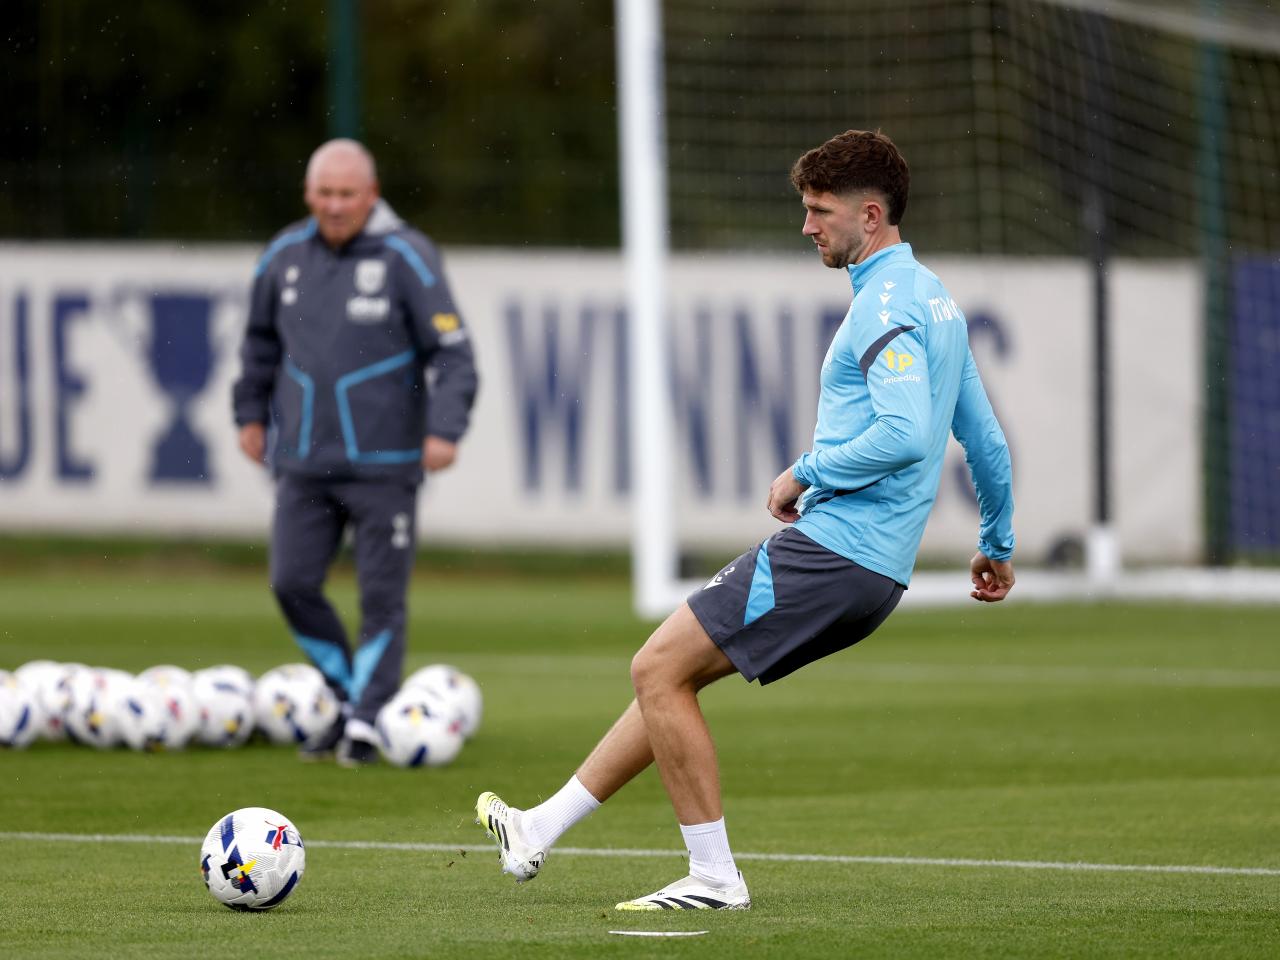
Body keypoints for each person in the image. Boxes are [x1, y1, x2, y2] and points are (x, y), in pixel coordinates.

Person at [473, 129, 1014, 909]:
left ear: (870, 214)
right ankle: (538, 828)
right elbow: (985, 440)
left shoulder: (887, 305)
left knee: (656, 667)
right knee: (672, 675)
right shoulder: (935, 300)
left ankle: (714, 878)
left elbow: (904, 435)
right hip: (869, 566)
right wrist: (996, 542)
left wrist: (806, 470)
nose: (808, 227)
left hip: (840, 550)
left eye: (820, 211)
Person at [233, 139, 478, 767]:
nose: (335, 205)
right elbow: (259, 343)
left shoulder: (407, 256)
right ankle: (346, 697)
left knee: (380, 596)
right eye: (325, 193)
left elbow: (453, 352)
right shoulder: (283, 255)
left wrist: (445, 429)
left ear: (371, 195)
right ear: (308, 193)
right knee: (290, 582)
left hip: (386, 465)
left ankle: (368, 718)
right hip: (303, 461)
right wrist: (250, 412)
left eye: (347, 194)